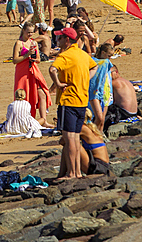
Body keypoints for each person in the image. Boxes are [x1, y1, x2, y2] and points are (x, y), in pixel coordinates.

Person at [49, 27, 98, 180]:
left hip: (69, 100)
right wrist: (85, 79)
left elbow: (52, 69)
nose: (57, 41)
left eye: (60, 38)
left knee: (69, 138)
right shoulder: (82, 54)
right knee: (75, 138)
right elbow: (95, 66)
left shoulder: (65, 56)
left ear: (67, 40)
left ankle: (72, 172)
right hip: (82, 101)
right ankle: (76, 172)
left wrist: (58, 83)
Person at [13, 23, 50, 124]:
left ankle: (43, 120)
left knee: (41, 93)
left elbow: (38, 59)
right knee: (23, 95)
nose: (30, 34)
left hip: (33, 70)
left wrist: (34, 58)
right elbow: (15, 60)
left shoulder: (33, 43)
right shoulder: (19, 43)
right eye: (28, 32)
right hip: (22, 72)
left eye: (32, 32)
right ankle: (23, 120)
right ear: (23, 31)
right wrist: (27, 55)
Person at [88, 44, 115, 131]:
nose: (110, 57)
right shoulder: (94, 62)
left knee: (102, 119)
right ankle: (93, 135)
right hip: (94, 91)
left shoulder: (107, 62)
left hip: (106, 91)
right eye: (109, 55)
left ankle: (100, 136)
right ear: (103, 53)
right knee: (96, 117)